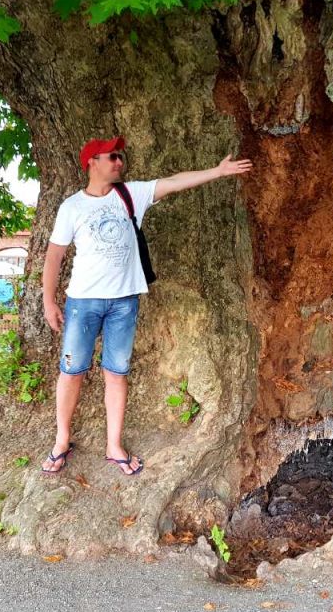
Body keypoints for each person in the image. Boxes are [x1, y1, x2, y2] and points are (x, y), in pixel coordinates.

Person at [41, 136, 252, 475]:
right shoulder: (72, 207)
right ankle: (61, 440)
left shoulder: (130, 195)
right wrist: (48, 300)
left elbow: (173, 182)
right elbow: (54, 257)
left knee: (117, 373)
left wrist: (217, 171)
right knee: (72, 372)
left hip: (124, 303)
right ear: (92, 162)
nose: (119, 162)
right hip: (82, 303)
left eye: (120, 156)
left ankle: (114, 444)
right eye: (112, 157)